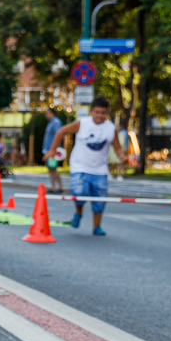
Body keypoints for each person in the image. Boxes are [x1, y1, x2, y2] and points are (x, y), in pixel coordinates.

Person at [57, 95, 125, 236]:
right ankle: (78, 213)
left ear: (106, 113)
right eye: (97, 112)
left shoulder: (111, 128)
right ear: (91, 111)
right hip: (79, 166)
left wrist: (121, 155)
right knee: (79, 192)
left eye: (103, 113)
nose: (100, 116)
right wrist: (52, 149)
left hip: (99, 169)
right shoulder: (82, 123)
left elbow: (116, 146)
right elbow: (61, 131)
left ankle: (97, 227)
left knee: (100, 200)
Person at [43, 110, 64, 193]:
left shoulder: (55, 122)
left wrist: (54, 149)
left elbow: (58, 134)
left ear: (52, 113)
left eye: (47, 113)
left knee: (53, 168)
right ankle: (54, 186)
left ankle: (58, 186)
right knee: (51, 168)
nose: (46, 115)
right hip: (49, 149)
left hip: (52, 150)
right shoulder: (51, 122)